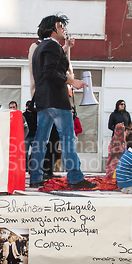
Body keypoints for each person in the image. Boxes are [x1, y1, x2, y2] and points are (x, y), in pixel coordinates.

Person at [29, 14, 96, 190]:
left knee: (40, 140)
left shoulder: (40, 47)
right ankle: (75, 177)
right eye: (60, 26)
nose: (63, 29)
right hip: (57, 100)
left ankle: (35, 177)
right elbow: (50, 71)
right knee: (67, 139)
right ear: (52, 29)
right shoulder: (51, 47)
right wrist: (72, 81)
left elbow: (48, 69)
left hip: (43, 100)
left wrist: (64, 49)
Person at [23, 100, 37, 171]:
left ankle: (33, 168)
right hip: (26, 137)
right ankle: (25, 169)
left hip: (34, 136)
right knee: (25, 153)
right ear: (27, 107)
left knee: (34, 154)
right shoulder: (24, 115)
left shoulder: (36, 114)